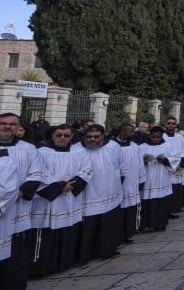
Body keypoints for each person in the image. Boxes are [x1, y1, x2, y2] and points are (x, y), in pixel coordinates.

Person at [30, 124, 92, 276]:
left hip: (69, 199)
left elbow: (87, 170)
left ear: (71, 137)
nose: (62, 138)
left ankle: (64, 264)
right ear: (52, 136)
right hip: (46, 203)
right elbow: (37, 173)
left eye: (66, 135)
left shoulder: (79, 153)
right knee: (46, 234)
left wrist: (70, 185)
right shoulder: (40, 153)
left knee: (67, 232)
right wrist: (59, 187)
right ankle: (42, 268)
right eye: (59, 135)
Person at [0, 112, 44, 290]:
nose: (7, 127)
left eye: (12, 124)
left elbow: (36, 174)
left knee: (14, 254)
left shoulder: (29, 149)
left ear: (19, 128)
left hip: (18, 208)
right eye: (3, 123)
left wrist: (13, 196)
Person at [73, 124, 125, 264]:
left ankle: (108, 250)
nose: (93, 139)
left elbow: (120, 165)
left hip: (110, 191)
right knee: (89, 227)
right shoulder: (76, 149)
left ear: (103, 136)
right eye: (89, 137)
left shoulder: (113, 146)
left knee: (108, 225)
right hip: (89, 194)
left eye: (96, 136)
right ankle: (85, 255)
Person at [140, 126, 179, 231]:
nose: (155, 139)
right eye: (153, 137)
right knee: (146, 200)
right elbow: (137, 161)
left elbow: (175, 159)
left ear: (161, 136)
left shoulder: (167, 146)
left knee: (161, 201)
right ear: (150, 136)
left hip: (162, 177)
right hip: (148, 176)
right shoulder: (143, 146)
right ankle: (145, 224)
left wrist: (165, 160)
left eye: (158, 137)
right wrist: (144, 160)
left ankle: (160, 224)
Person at [113, 123, 145, 244]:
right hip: (117, 183)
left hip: (131, 182)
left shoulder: (135, 146)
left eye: (132, 131)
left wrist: (141, 180)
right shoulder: (113, 146)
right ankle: (118, 235)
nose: (132, 134)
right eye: (129, 131)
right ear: (121, 131)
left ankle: (128, 233)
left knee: (130, 210)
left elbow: (140, 164)